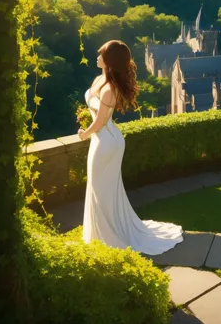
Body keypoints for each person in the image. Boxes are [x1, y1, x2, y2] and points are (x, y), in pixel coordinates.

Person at [78, 39, 183, 254]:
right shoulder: (100, 79)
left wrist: (84, 133)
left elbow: (100, 121)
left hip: (106, 141)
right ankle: (100, 232)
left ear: (109, 61)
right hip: (104, 139)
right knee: (101, 188)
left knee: (102, 189)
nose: (97, 57)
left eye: (101, 55)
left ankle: (107, 235)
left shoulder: (109, 88)